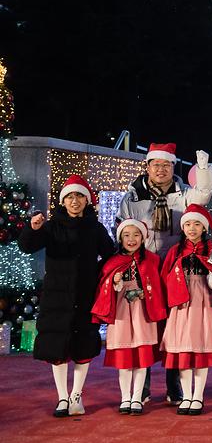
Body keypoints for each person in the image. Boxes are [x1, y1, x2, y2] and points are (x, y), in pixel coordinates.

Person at [117, 142, 212, 405]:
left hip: (174, 266)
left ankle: (174, 387)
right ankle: (142, 388)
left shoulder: (184, 193)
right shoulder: (132, 198)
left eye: (166, 165)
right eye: (156, 164)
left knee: (175, 326)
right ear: (147, 167)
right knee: (144, 324)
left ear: (173, 167)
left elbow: (203, 193)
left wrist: (203, 169)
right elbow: (123, 230)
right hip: (144, 266)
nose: (161, 170)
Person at [18, 175, 115, 417]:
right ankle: (62, 397)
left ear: (87, 200)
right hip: (56, 296)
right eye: (70, 196)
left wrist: (99, 274)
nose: (74, 201)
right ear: (63, 201)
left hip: (86, 295)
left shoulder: (95, 227)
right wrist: (33, 228)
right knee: (56, 346)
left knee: (83, 347)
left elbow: (111, 255)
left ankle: (76, 396)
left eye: (79, 196)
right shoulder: (51, 226)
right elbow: (26, 246)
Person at [91, 219, 167, 416]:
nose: (131, 239)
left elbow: (158, 286)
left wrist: (146, 292)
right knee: (125, 360)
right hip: (122, 314)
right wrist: (114, 282)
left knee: (141, 359)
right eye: (126, 235)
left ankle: (137, 397)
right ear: (120, 238)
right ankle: (125, 397)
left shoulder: (152, 260)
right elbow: (103, 289)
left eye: (136, 235)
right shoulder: (113, 262)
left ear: (143, 238)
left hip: (143, 313)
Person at [160, 205, 212, 416]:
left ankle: (197, 396)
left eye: (197, 224)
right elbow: (165, 279)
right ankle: (186, 395)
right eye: (188, 224)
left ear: (204, 227)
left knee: (200, 350)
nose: (192, 228)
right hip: (181, 306)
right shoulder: (175, 251)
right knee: (183, 350)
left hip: (203, 303)